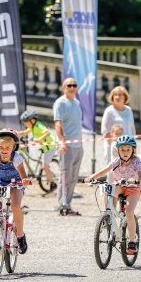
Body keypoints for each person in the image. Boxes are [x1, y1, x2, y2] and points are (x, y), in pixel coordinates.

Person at [83, 135, 141, 254]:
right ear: (118, 151)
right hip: (120, 186)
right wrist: (91, 178)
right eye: (122, 150)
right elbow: (103, 171)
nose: (125, 152)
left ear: (133, 150)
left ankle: (132, 242)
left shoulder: (136, 162)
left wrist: (135, 180)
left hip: (133, 188)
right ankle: (108, 215)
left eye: (128, 150)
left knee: (129, 212)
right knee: (108, 189)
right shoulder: (116, 161)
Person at [53, 77, 84, 215]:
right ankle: (61, 204)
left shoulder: (77, 102)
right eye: (69, 85)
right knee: (65, 176)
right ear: (63, 87)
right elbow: (58, 123)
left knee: (73, 177)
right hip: (68, 145)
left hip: (79, 145)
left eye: (74, 85)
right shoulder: (60, 103)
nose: (72, 87)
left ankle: (68, 204)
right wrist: (62, 141)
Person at [18, 109, 57, 195]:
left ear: (32, 120)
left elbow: (47, 133)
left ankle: (53, 184)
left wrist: (39, 139)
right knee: (42, 164)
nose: (24, 124)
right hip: (45, 147)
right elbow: (24, 132)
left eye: (25, 122)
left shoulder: (38, 125)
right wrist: (14, 133)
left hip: (50, 148)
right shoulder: (32, 127)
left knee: (44, 166)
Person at [101, 86, 136, 164]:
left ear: (125, 97)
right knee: (113, 173)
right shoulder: (109, 111)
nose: (117, 97)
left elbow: (132, 129)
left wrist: (134, 145)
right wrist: (117, 147)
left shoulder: (129, 110)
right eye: (115, 95)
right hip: (114, 148)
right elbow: (105, 131)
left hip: (128, 148)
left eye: (120, 95)